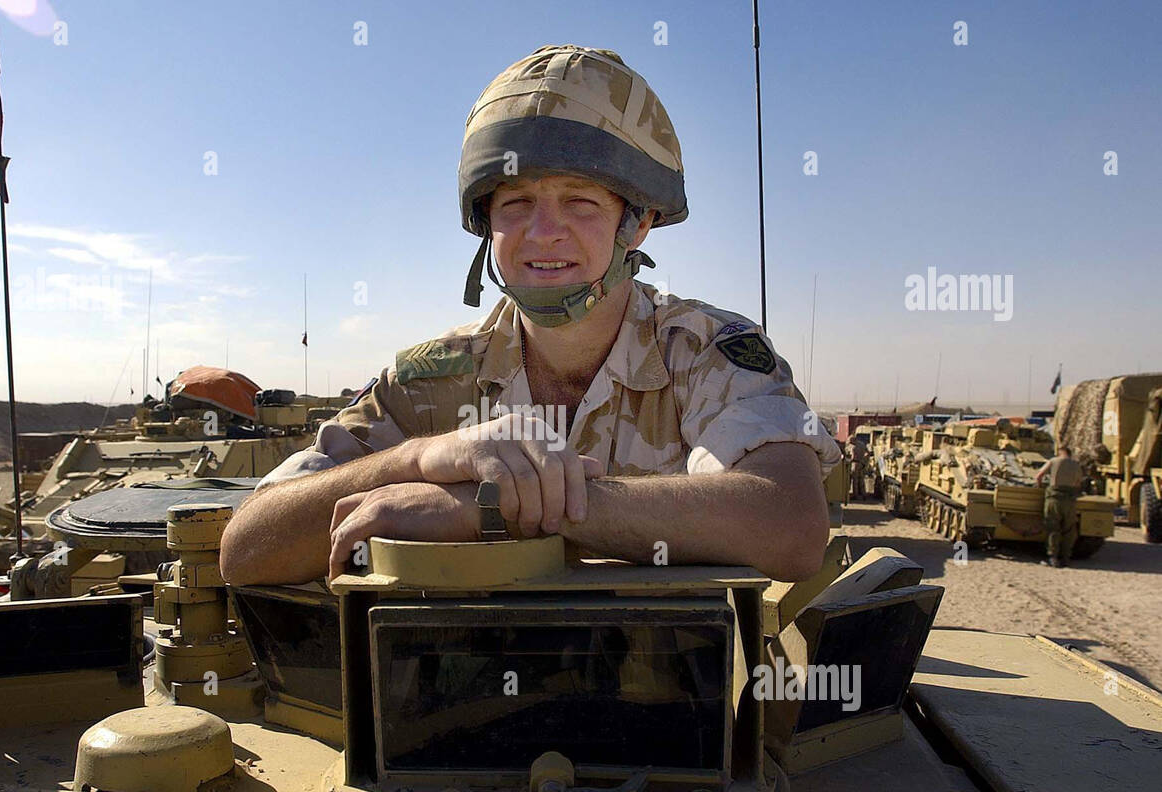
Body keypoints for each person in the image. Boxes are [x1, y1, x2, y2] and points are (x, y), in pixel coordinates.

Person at [219, 45, 841, 587]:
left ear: (639, 222)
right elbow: (245, 548)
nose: (544, 234)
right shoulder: (427, 383)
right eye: (516, 203)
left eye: (580, 201)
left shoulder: (703, 352)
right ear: (486, 223)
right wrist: (424, 460)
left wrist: (487, 506)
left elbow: (788, 522)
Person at [1034, 446, 1083, 567]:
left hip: (1054, 498)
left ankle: (1053, 557)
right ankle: (1066, 557)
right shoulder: (1076, 465)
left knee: (1053, 528)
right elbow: (1078, 483)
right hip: (1069, 500)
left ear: (1060, 452)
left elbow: (1039, 475)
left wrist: (1039, 486)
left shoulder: (1053, 461)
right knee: (1069, 530)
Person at [847, 436, 868, 501]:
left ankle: (855, 495)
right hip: (861, 463)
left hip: (855, 464)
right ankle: (864, 494)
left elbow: (852, 457)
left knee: (855, 480)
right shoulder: (862, 444)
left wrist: (848, 460)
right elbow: (867, 453)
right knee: (861, 480)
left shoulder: (853, 447)